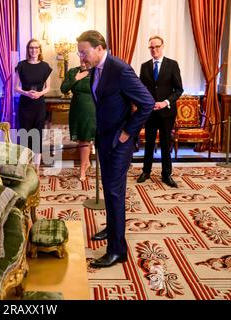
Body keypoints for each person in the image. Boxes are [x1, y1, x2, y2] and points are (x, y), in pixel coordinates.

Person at [77, 30, 154, 268]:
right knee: (110, 189)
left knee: (114, 191)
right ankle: (112, 228)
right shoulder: (95, 70)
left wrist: (127, 132)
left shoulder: (120, 69)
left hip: (119, 143)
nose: (81, 57)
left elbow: (147, 102)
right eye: (79, 52)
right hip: (104, 138)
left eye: (84, 52)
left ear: (99, 48)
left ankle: (117, 250)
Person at [136, 36, 183, 188]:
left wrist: (165, 102)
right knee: (148, 142)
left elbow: (179, 90)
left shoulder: (172, 65)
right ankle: (146, 171)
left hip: (167, 112)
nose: (154, 50)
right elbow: (141, 89)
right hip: (149, 112)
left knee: (165, 142)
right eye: (151, 47)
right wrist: (147, 104)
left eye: (156, 46)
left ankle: (166, 174)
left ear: (163, 46)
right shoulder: (144, 66)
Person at [14, 39, 52, 170]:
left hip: (39, 105)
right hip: (25, 105)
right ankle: (26, 167)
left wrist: (39, 94)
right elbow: (16, 88)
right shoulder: (21, 65)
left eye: (36, 48)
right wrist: (26, 93)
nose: (33, 50)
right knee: (24, 135)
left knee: (37, 135)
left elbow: (48, 88)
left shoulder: (45, 66)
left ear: (40, 50)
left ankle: (36, 169)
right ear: (28, 50)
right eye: (31, 48)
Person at [60, 60, 96, 181]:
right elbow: (64, 89)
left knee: (85, 139)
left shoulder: (96, 72)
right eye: (81, 55)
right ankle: (87, 162)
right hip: (76, 109)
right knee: (82, 138)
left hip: (91, 109)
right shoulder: (73, 72)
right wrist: (76, 78)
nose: (83, 59)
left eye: (86, 56)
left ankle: (82, 169)